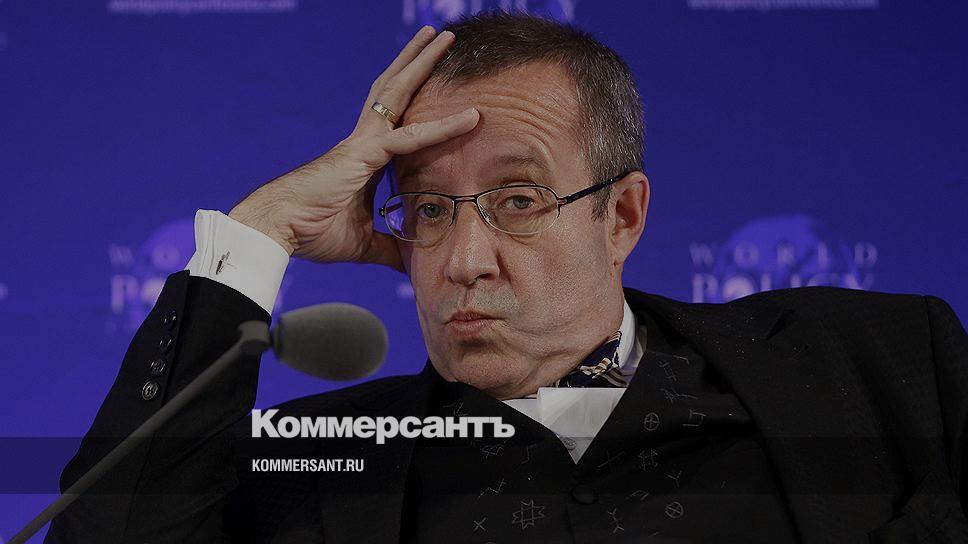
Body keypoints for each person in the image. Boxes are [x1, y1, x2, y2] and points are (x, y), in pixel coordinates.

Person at [47, 12, 967, 544]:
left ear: (622, 217)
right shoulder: (316, 460)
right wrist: (259, 234)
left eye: (517, 200)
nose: (462, 260)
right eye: (429, 209)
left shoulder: (880, 367)